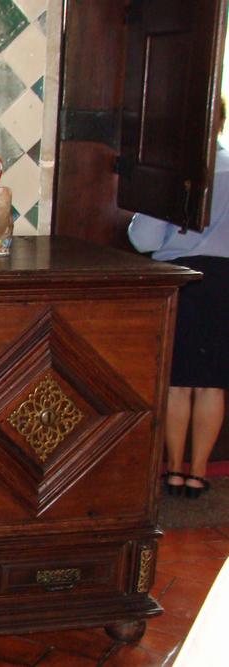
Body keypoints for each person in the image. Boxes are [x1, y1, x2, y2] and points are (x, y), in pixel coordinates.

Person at [128, 100, 229, 498]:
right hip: (225, 281)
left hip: (183, 279)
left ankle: (173, 470)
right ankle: (199, 472)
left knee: (177, 382)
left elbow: (144, 239)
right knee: (212, 384)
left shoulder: (174, 176)